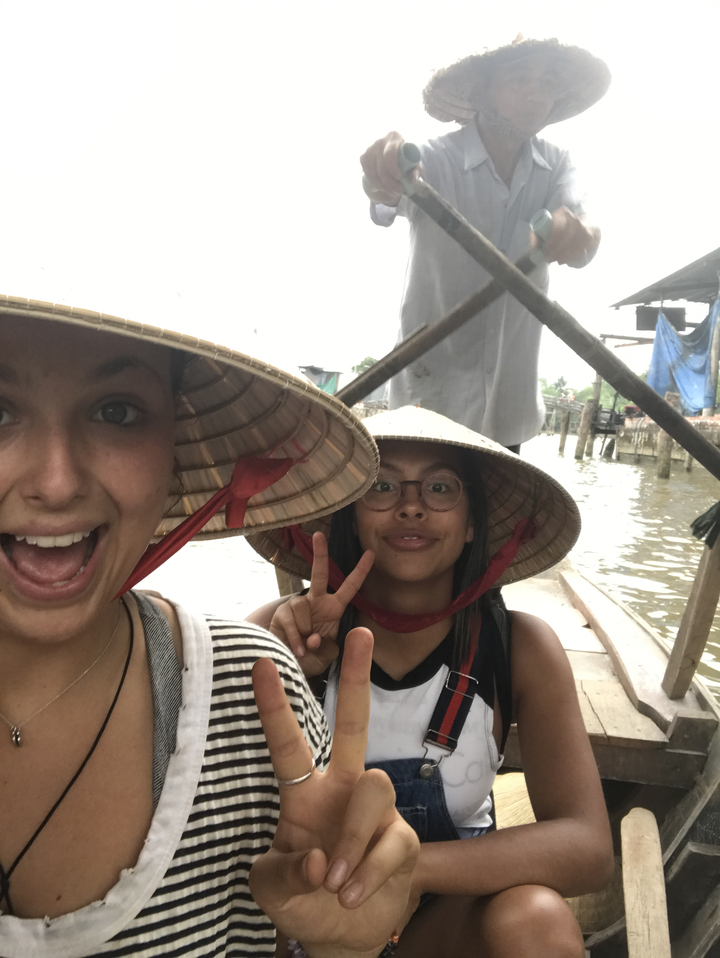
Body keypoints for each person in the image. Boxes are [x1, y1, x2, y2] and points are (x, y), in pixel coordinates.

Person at [0, 295, 420, 958]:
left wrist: (351, 943)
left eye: (117, 412)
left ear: (173, 454)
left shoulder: (254, 705)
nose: (56, 482)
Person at [248, 405, 615, 958]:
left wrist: (410, 871)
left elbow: (588, 847)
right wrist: (293, 671)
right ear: (349, 516)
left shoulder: (519, 648)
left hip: (442, 921)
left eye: (440, 487)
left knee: (538, 921)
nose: (411, 506)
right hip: (308, 919)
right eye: (383, 486)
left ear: (471, 525)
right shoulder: (277, 636)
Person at [360, 37, 611, 453]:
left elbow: (585, 225)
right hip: (427, 401)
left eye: (548, 82)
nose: (536, 94)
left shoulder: (557, 167)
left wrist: (579, 234)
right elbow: (382, 194)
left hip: (509, 409)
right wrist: (382, 170)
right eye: (519, 79)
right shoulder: (431, 160)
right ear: (481, 91)